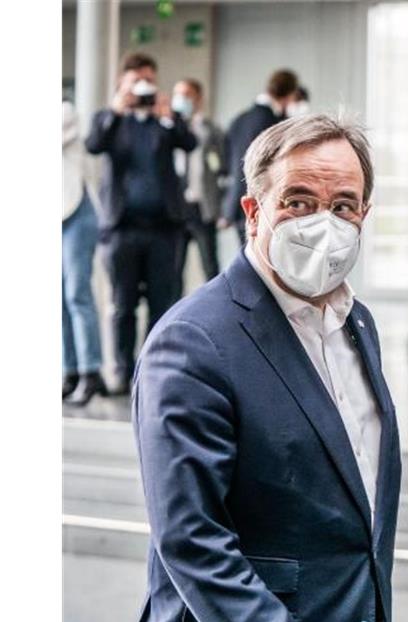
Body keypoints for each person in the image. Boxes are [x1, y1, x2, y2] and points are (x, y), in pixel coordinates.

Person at [96, 114, 408, 622]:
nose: (321, 220)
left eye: (343, 205)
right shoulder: (195, 341)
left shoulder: (360, 327)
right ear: (253, 210)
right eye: (298, 200)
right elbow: (190, 538)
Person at [85, 52, 197, 395]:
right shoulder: (111, 119)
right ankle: (121, 369)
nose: (144, 87)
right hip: (122, 229)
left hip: (165, 229)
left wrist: (167, 117)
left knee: (164, 303)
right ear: (124, 82)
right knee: (123, 305)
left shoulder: (164, 120)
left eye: (149, 79)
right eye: (137, 81)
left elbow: (189, 142)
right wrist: (119, 109)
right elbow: (94, 144)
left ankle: (156, 369)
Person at [221, 68, 300, 247]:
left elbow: (227, 162)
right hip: (265, 202)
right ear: (288, 95)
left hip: (239, 202)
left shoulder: (239, 120)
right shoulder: (274, 123)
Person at [62, 100, 106, 406]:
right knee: (60, 298)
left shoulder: (63, 110)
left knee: (78, 292)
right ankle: (70, 371)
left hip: (78, 212)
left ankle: (90, 371)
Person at [171, 78, 226, 295]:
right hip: (176, 208)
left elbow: (220, 165)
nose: (181, 100)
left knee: (210, 265)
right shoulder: (169, 128)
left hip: (201, 207)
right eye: (178, 94)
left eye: (186, 95)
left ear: (198, 98)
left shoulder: (210, 129)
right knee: (173, 270)